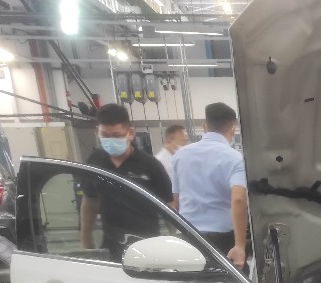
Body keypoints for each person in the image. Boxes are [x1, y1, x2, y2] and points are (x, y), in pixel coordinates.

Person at [80, 103, 173, 258]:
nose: (111, 141)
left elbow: (169, 207)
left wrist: (174, 240)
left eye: (117, 136)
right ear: (98, 131)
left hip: (148, 248)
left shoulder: (150, 165)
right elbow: (89, 200)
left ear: (130, 132)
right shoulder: (95, 161)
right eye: (105, 135)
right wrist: (85, 239)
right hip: (110, 248)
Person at [172, 102, 248, 270]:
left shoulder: (180, 155)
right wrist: (239, 245)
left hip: (187, 236)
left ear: (204, 126)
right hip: (222, 240)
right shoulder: (235, 158)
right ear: (233, 129)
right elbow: (238, 200)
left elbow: (177, 201)